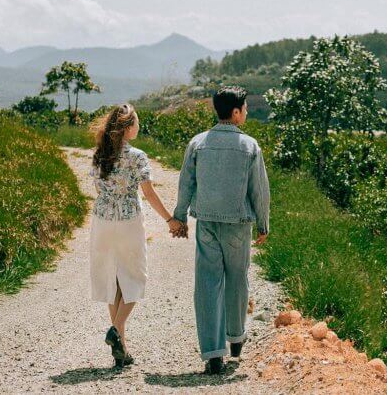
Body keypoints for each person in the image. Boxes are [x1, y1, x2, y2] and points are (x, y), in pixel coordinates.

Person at [171, 86, 270, 375]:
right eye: (246, 108)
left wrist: (180, 217)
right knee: (238, 279)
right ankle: (236, 338)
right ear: (236, 112)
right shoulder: (250, 146)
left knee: (207, 283)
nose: (247, 113)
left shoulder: (198, 143)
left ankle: (214, 354)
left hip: (207, 223)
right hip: (238, 224)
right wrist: (263, 223)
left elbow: (186, 182)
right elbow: (259, 191)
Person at [89, 104, 184, 368]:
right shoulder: (138, 156)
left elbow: (98, 189)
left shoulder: (100, 154)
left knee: (113, 280)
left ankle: (122, 349)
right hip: (128, 220)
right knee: (136, 276)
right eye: (137, 123)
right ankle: (116, 331)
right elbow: (149, 193)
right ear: (128, 128)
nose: (139, 127)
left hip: (102, 220)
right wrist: (169, 219)